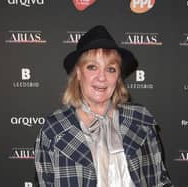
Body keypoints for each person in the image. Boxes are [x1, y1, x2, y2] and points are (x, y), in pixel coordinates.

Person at [35, 25, 174, 187]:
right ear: (79, 73)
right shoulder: (55, 128)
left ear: (118, 77)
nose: (102, 78)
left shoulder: (140, 119)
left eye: (111, 69)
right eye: (92, 67)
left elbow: (160, 181)